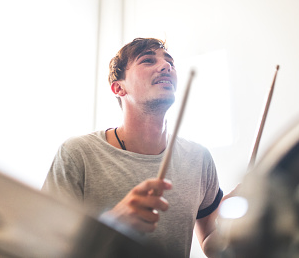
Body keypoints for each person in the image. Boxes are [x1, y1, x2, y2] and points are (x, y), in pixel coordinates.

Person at [42, 38, 223, 258]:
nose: (167, 66)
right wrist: (112, 224)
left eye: (170, 63)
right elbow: (43, 244)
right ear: (118, 87)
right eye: (147, 60)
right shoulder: (77, 153)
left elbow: (212, 243)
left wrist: (235, 226)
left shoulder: (199, 158)